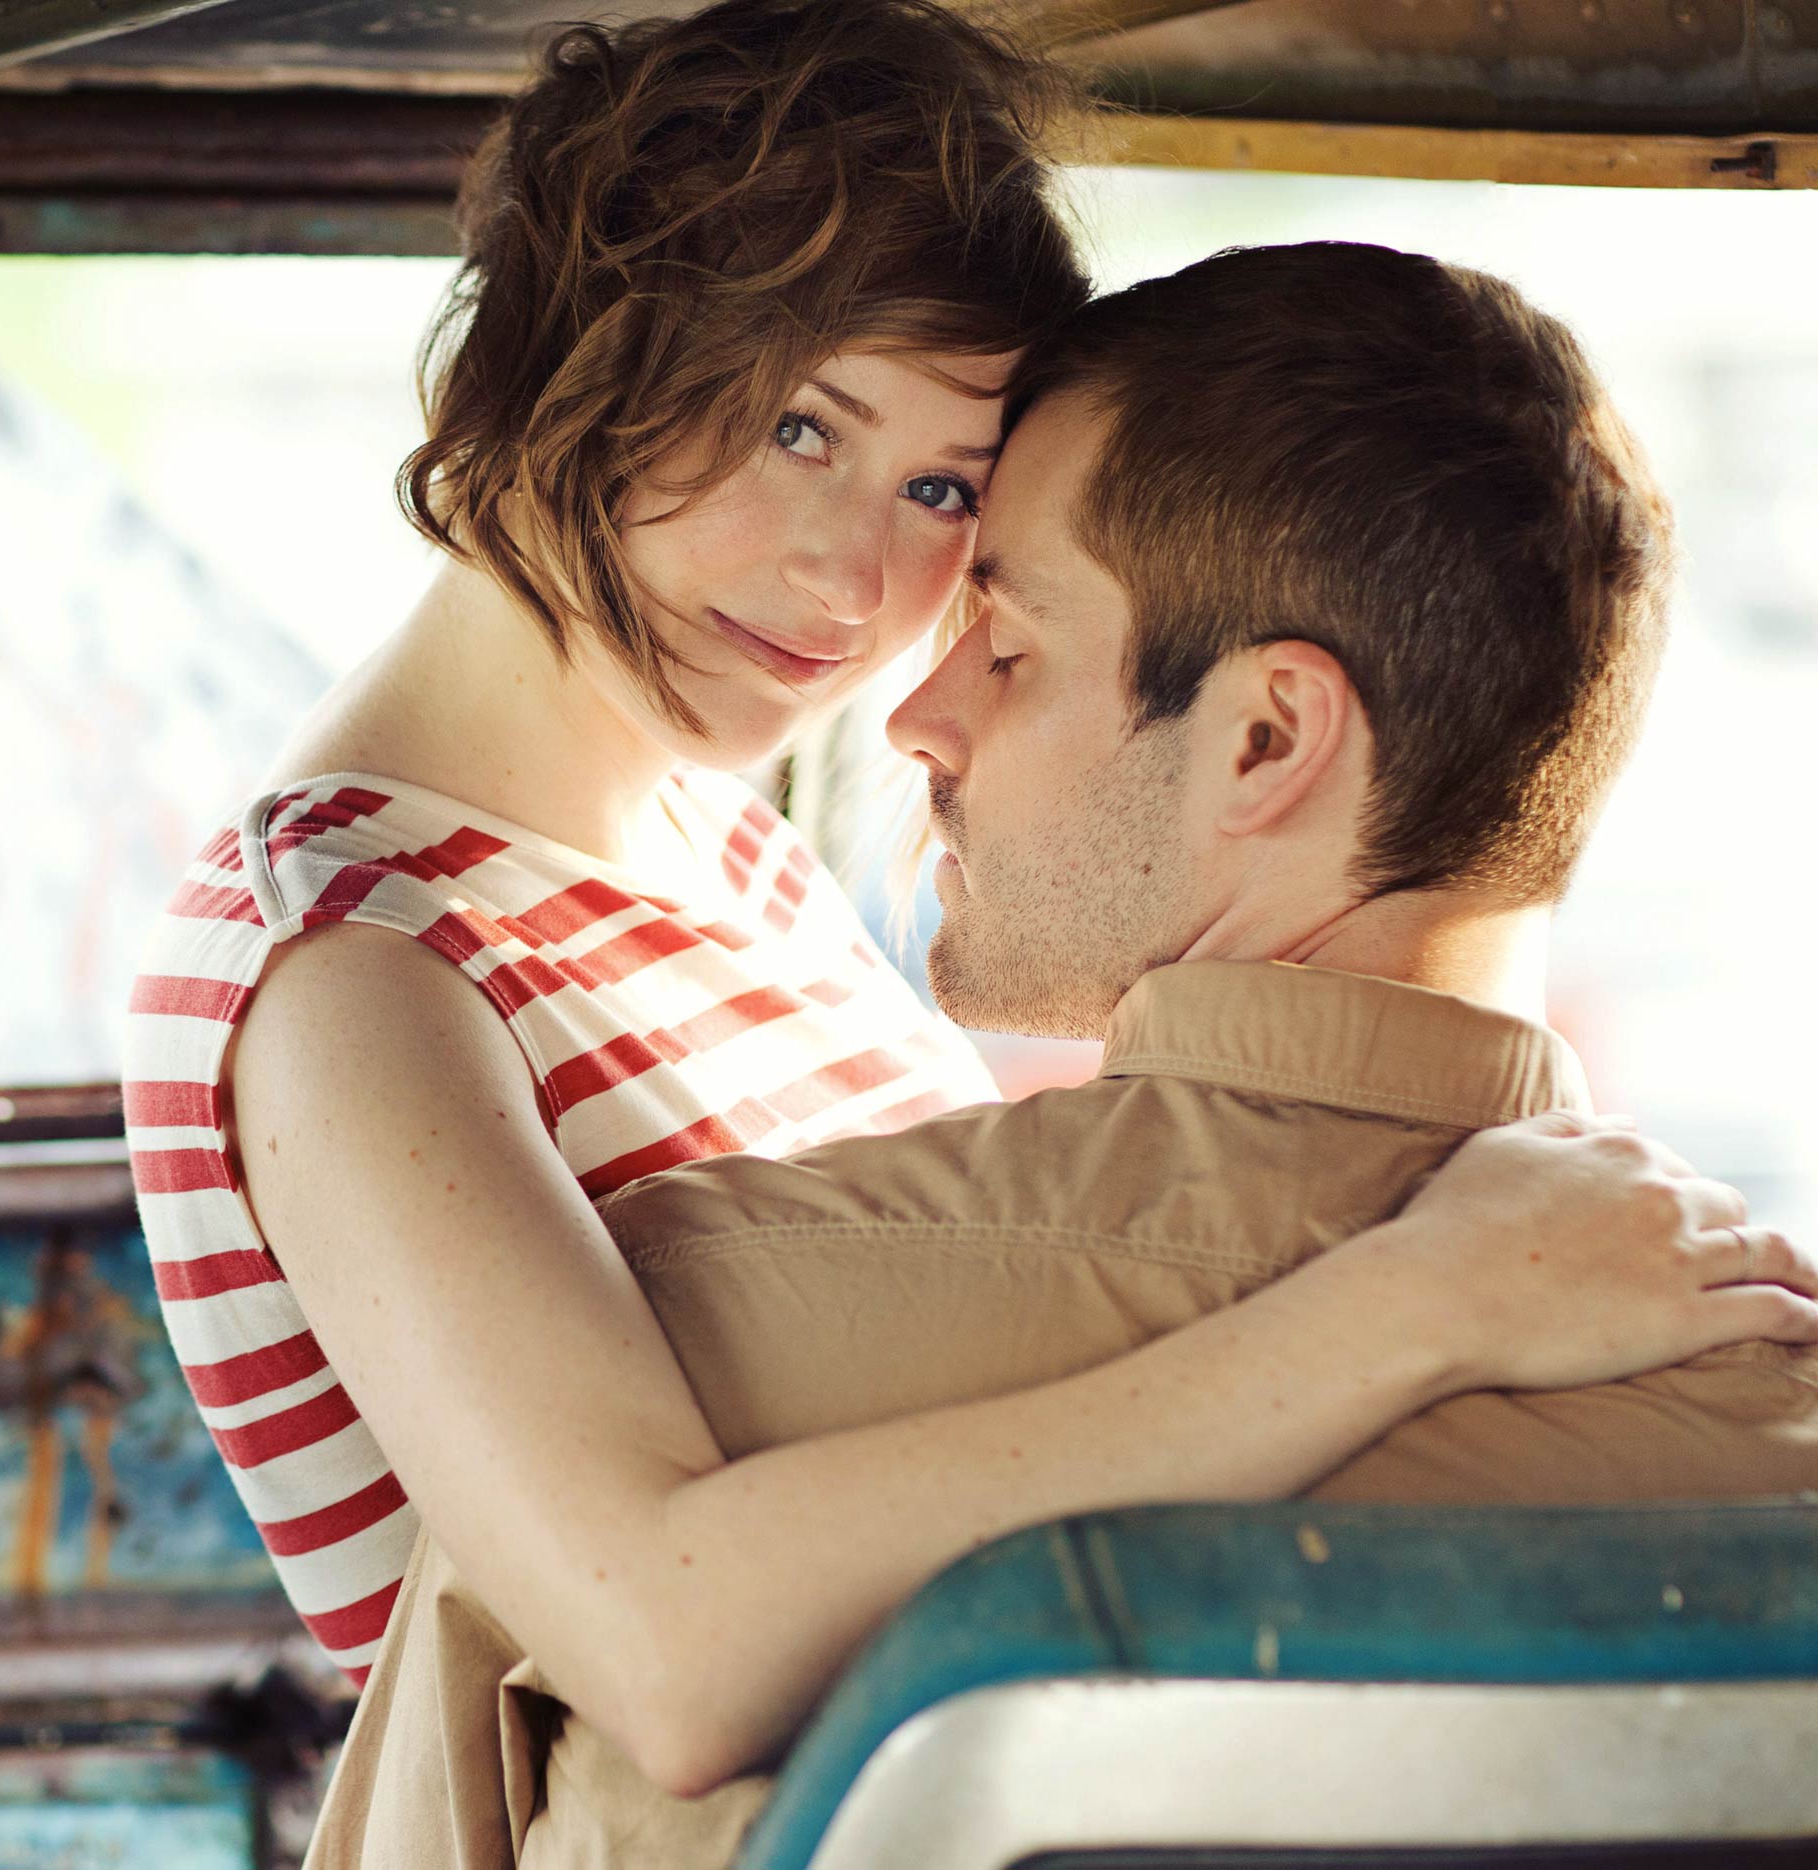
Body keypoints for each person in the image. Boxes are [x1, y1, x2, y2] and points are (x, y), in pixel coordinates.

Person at [122, 0, 1809, 1838]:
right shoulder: (355, 962)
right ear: (562, 351)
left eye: (939, 486)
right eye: (798, 424)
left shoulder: (727, 847)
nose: (857, 581)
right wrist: (1420, 1304)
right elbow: (662, 1643)